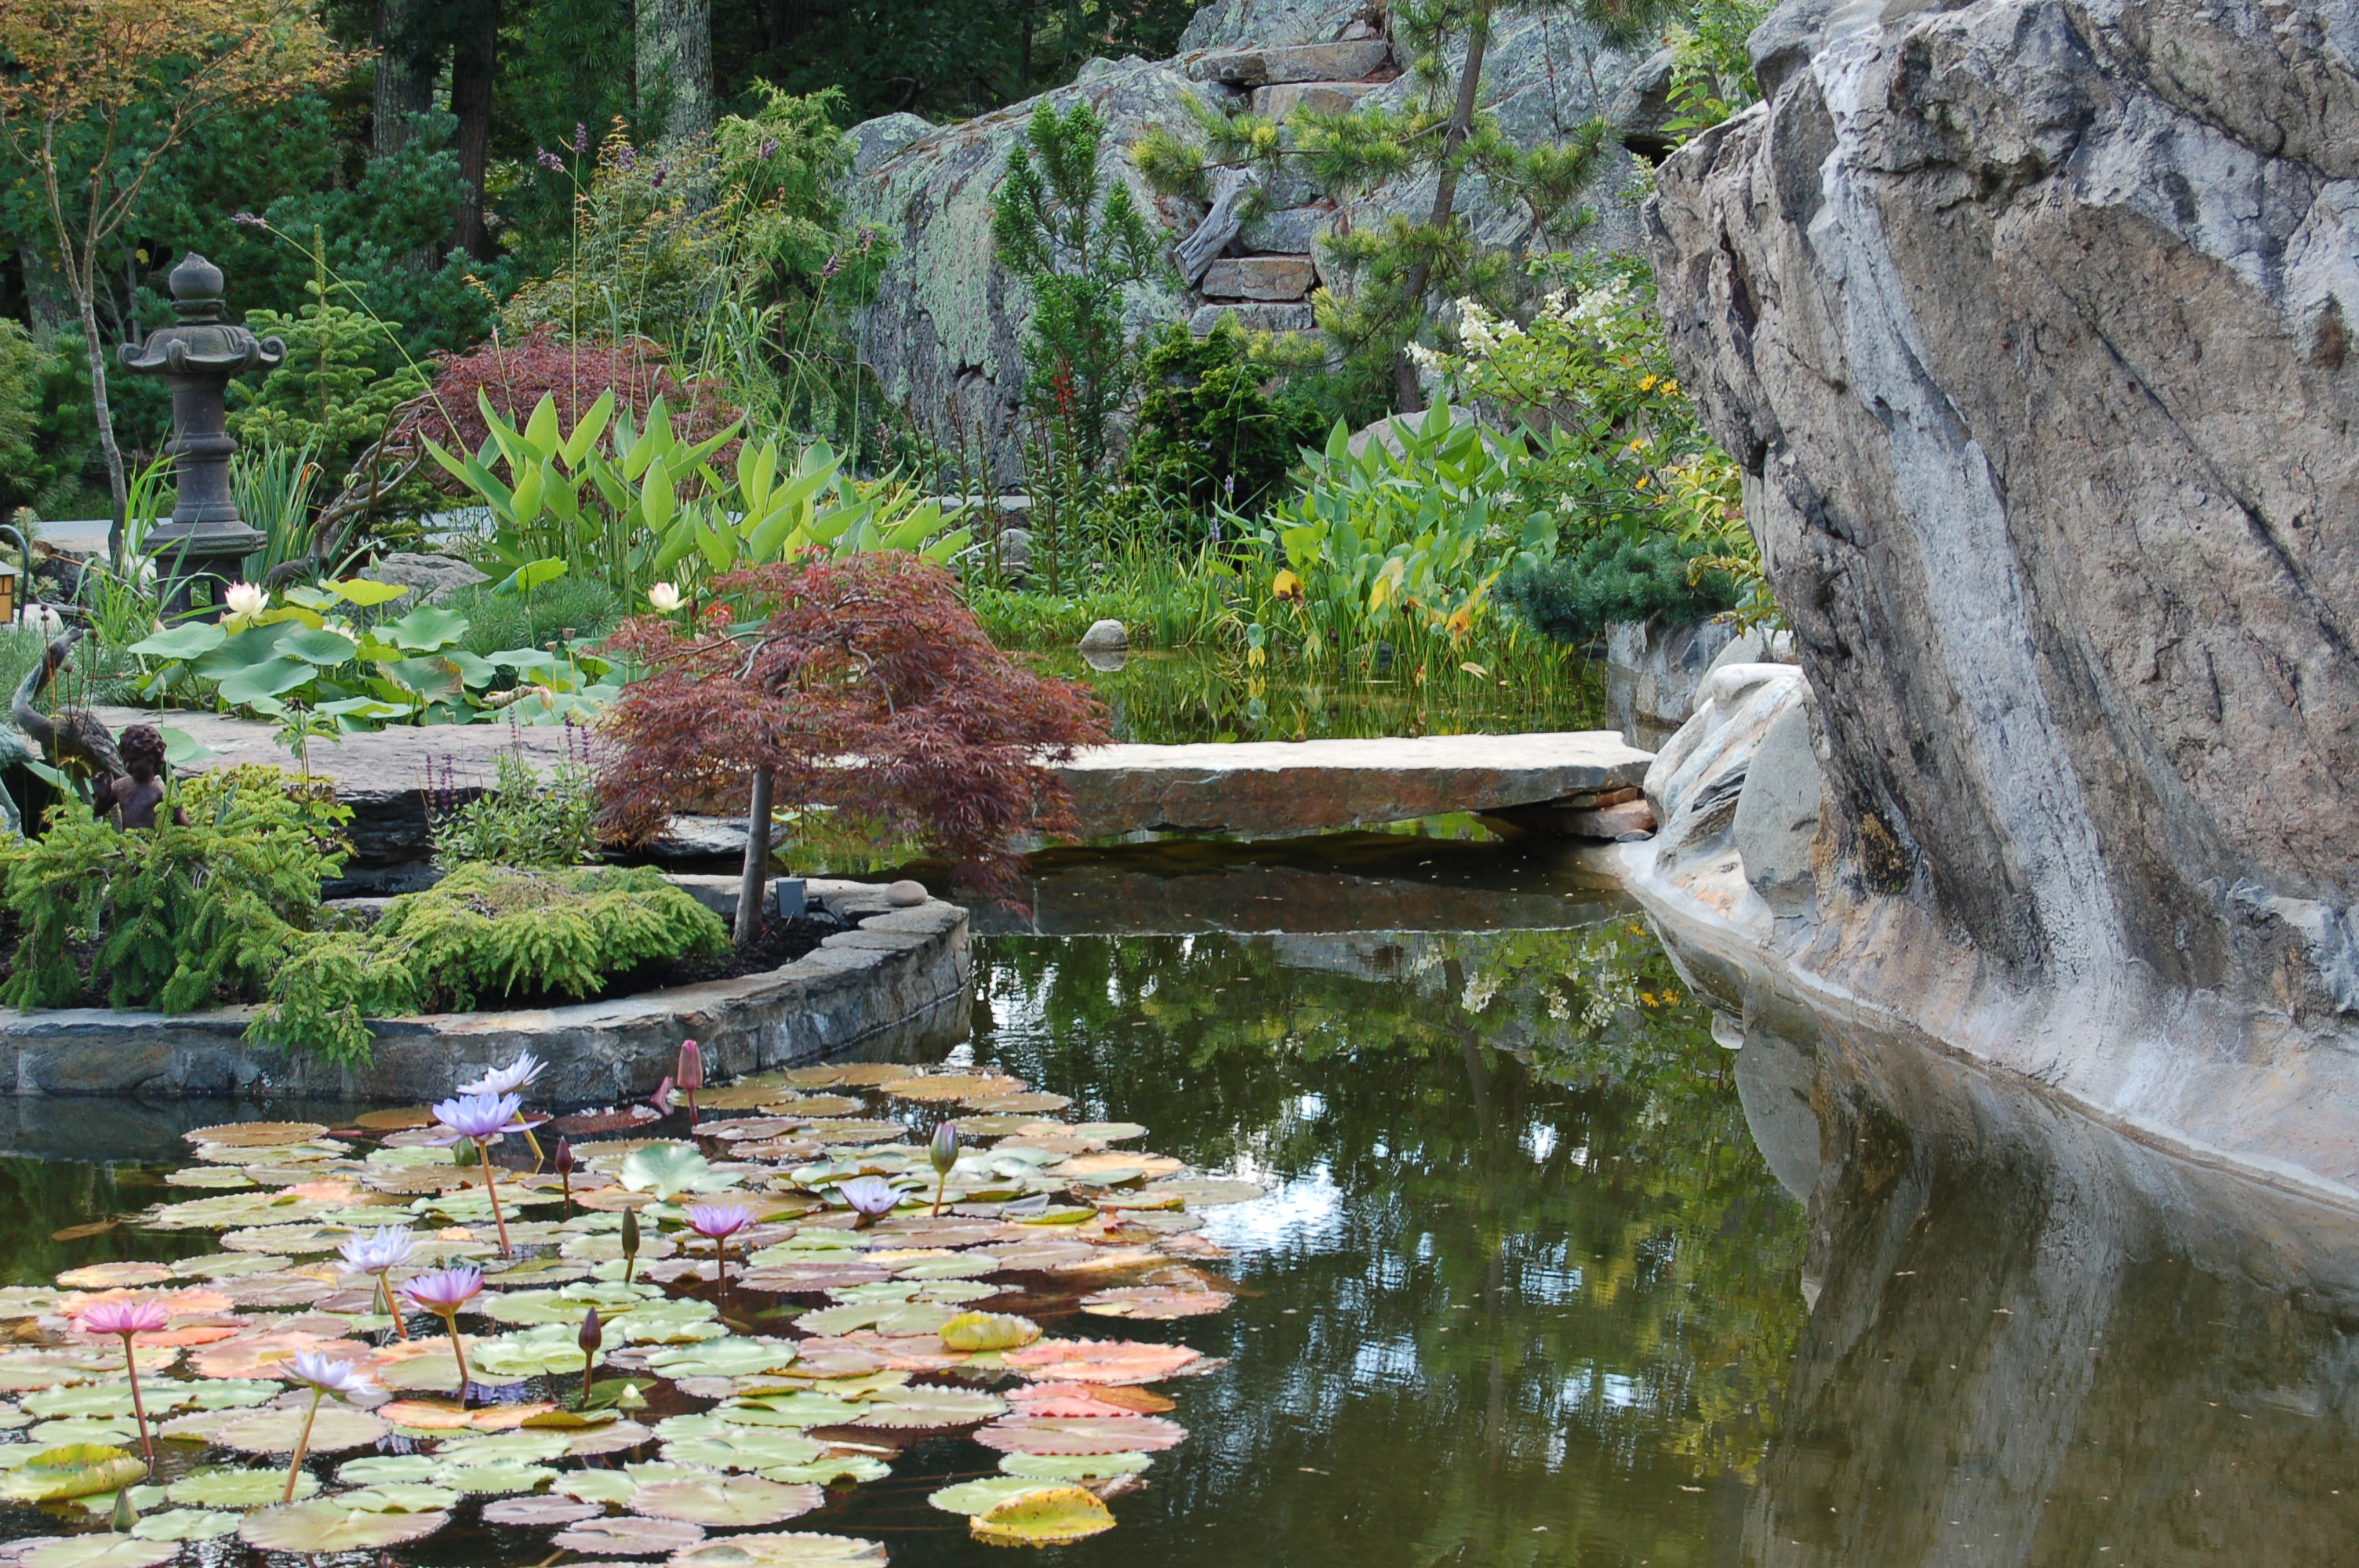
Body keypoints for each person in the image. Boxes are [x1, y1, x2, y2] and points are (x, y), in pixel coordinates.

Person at [100, 724, 176, 829]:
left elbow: (185, 829)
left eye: (134, 760)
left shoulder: (160, 793)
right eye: (125, 761)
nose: (128, 766)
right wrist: (101, 797)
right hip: (127, 839)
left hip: (153, 840)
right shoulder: (120, 786)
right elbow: (98, 812)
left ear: (152, 758)